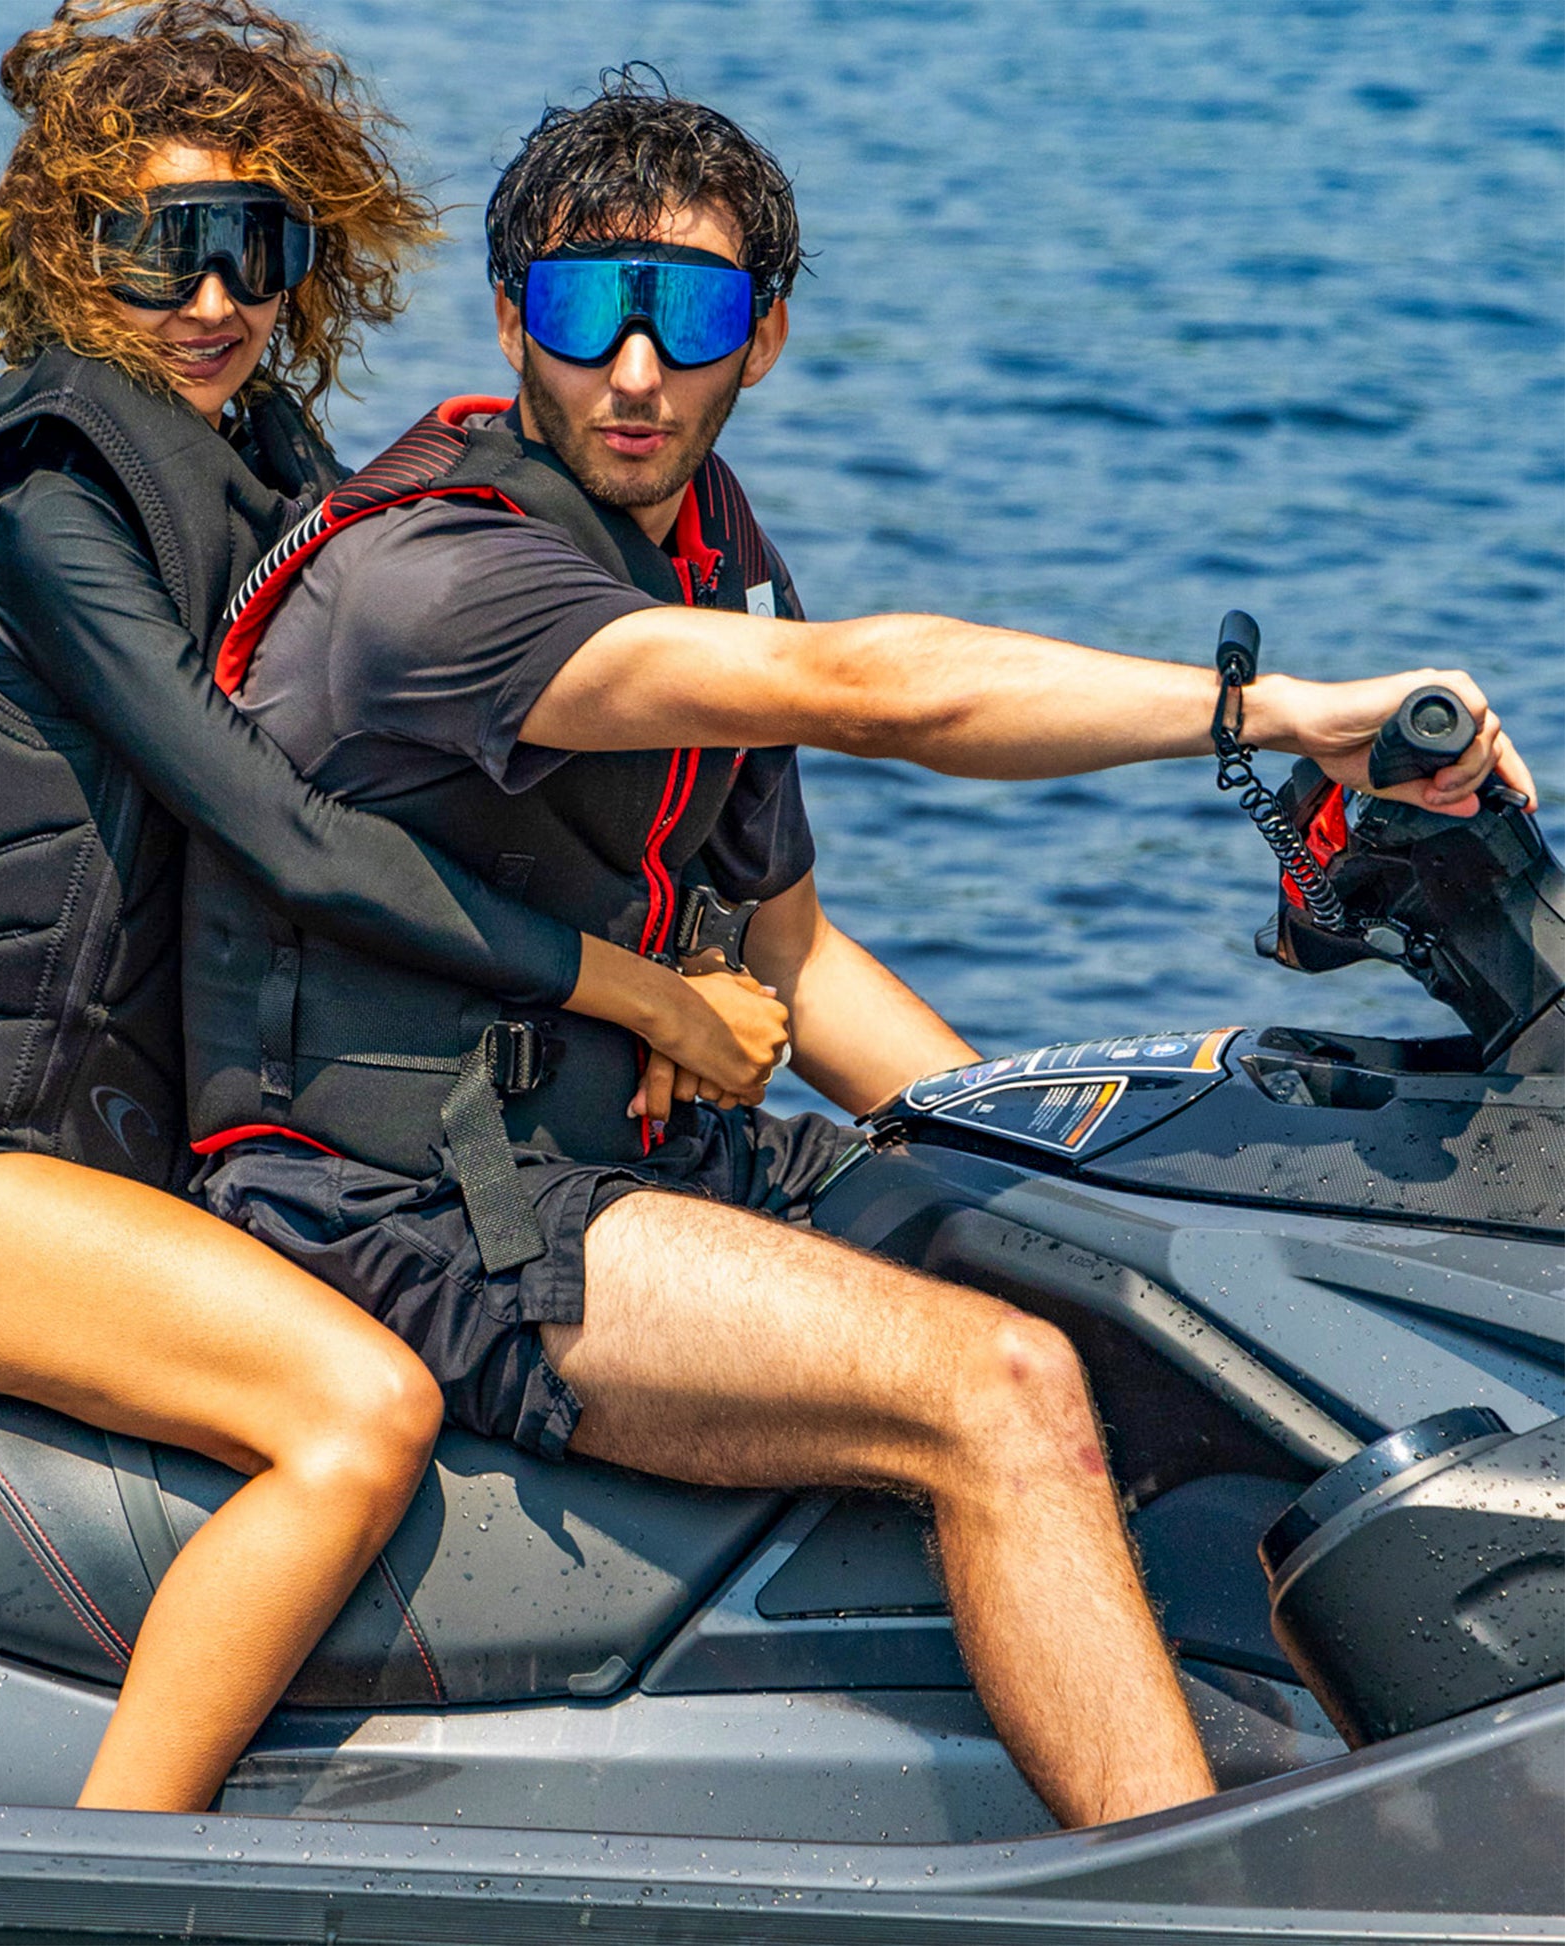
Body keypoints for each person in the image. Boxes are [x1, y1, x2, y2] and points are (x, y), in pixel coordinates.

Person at [185, 71, 1534, 1829]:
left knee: (1141, 1290)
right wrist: (1269, 709)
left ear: (770, 335)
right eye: (593, 310)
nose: (640, 372)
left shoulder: (707, 543)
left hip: (629, 1158)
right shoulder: (442, 579)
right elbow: (874, 694)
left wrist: (1071, 1171)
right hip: (415, 1204)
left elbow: (793, 960)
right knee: (996, 1386)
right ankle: (1184, 1889)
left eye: (699, 314)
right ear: (515, 313)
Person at [0, 10, 782, 1817]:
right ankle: (109, 1873)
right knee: (357, 1408)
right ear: (65, 253)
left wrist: (688, 955)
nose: (215, 296)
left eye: (261, 246)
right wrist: (627, 987)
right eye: (164, 247)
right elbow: (289, 837)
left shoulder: (281, 482)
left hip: (119, 1157)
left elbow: (435, 784)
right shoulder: (47, 508)